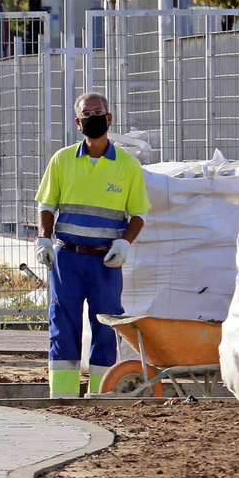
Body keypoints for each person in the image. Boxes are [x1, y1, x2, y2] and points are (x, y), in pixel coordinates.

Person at [33, 92, 150, 398]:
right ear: (78, 122)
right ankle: (63, 396)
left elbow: (137, 214)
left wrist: (125, 244)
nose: (94, 118)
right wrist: (44, 238)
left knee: (106, 328)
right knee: (63, 326)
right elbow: (47, 205)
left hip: (105, 262)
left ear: (109, 119)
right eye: (88, 114)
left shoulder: (127, 166)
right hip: (67, 259)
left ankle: (101, 396)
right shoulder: (62, 160)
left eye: (99, 113)